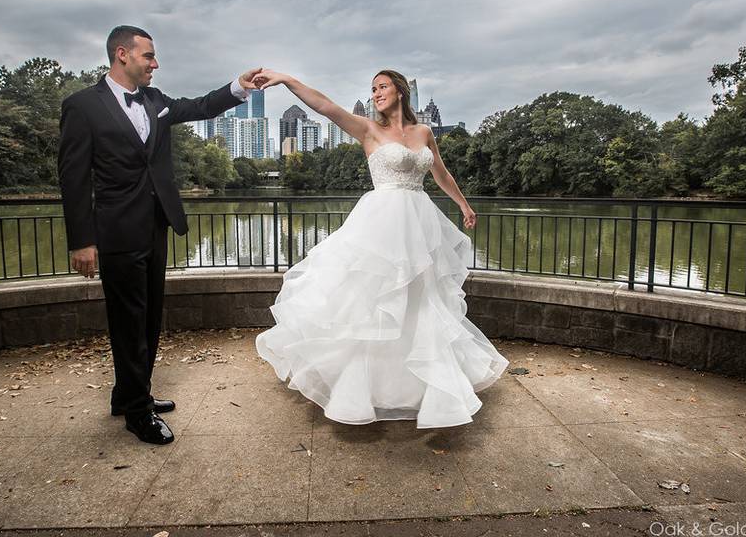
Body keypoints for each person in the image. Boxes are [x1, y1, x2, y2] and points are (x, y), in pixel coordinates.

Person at [254, 69, 509, 428]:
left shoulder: (424, 132)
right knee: (373, 303)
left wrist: (464, 204)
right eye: (372, 89)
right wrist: (285, 80)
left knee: (420, 302)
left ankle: (424, 390)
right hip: (381, 223)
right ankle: (364, 391)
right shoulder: (368, 129)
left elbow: (442, 173)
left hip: (419, 225)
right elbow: (325, 105)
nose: (376, 93)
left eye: (382, 87)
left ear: (400, 92)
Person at [58, 25, 261, 444]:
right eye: (149, 55)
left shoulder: (156, 100)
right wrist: (82, 240)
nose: (155, 63)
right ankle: (137, 412)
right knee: (128, 318)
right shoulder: (82, 106)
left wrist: (237, 87)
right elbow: (73, 178)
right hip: (115, 230)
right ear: (122, 55)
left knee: (148, 315)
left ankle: (129, 393)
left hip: (155, 225)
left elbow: (202, 105)